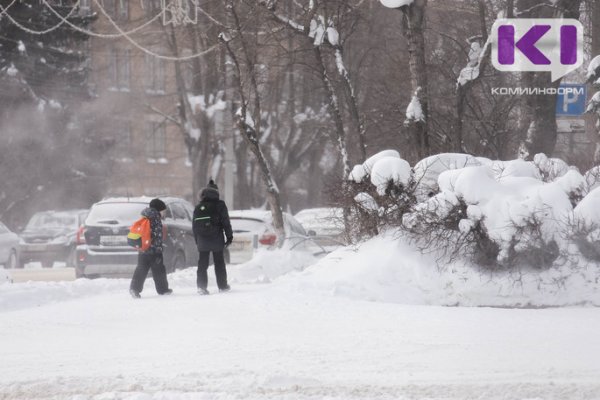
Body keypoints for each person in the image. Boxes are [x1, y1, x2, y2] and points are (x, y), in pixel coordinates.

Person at [193, 180, 233, 295]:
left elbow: (194, 226)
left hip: (202, 240)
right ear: (216, 192)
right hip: (217, 239)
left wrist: (197, 240)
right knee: (219, 263)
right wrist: (229, 236)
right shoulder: (220, 205)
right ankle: (222, 286)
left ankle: (201, 287)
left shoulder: (199, 206)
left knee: (202, 265)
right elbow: (226, 222)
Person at [129, 198, 173, 298]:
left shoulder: (144, 216)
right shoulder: (156, 217)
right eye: (163, 211)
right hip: (154, 250)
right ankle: (163, 290)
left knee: (141, 269)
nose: (163, 213)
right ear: (158, 209)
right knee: (159, 270)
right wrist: (159, 248)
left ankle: (134, 289)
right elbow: (157, 236)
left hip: (143, 249)